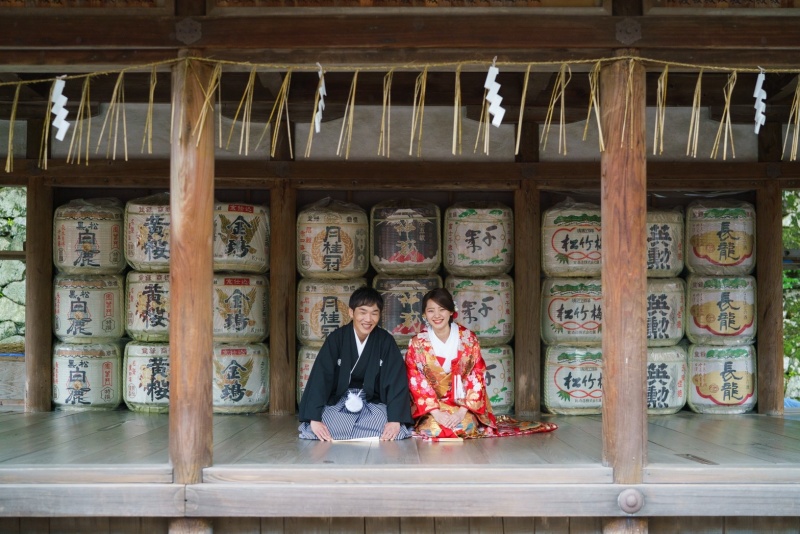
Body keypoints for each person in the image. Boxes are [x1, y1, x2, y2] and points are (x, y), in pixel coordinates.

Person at [405, 287, 557, 440]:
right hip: (432, 408)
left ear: (451, 311)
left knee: (463, 427)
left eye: (442, 309)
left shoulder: (468, 339)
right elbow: (415, 380)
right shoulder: (417, 343)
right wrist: (436, 413)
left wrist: (461, 412)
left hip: (461, 405)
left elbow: (476, 375)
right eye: (431, 311)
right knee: (433, 429)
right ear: (424, 314)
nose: (436, 315)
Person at [298, 287, 413, 441]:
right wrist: (314, 419)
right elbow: (321, 378)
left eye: (374, 313)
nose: (368, 319)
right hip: (340, 403)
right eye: (363, 312)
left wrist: (395, 420)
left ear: (380, 315)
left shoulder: (385, 341)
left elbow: (395, 381)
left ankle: (354, 432)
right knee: (323, 425)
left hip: (373, 404)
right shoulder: (337, 339)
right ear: (351, 312)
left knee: (387, 427)